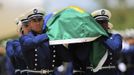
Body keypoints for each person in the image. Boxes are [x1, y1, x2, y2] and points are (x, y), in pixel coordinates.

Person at [19, 8, 54, 75]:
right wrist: (50, 34)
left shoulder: (48, 36)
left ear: (43, 21)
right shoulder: (24, 38)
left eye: (39, 20)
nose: (37, 23)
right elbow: (34, 42)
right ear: (29, 24)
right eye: (34, 21)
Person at [90, 9, 122, 75]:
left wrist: (101, 35)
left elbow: (116, 48)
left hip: (111, 72)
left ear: (108, 24)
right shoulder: (90, 38)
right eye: (99, 22)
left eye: (105, 22)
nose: (103, 24)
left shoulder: (115, 37)